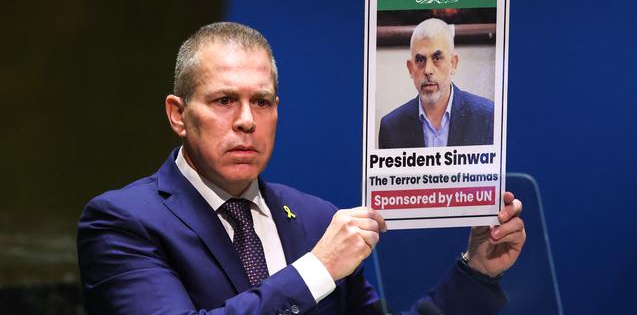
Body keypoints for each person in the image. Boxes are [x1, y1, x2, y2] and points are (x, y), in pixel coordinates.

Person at [77, 22, 525, 314]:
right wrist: (317, 269)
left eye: (262, 102)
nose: (247, 119)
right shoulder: (123, 221)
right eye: (224, 100)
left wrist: (476, 271)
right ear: (178, 115)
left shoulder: (314, 220)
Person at [378, 18, 494, 149]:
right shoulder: (391, 128)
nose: (428, 70)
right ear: (410, 68)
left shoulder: (487, 117)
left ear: (453, 63)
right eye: (420, 60)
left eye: (437, 58)